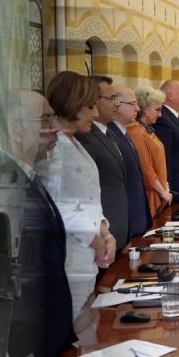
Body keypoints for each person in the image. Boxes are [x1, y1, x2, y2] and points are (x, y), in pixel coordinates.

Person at [5, 90, 75, 357]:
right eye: (45, 120)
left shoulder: (28, 177)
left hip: (49, 345)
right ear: (15, 130)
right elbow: (14, 281)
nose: (55, 128)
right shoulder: (10, 188)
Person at [37, 71, 114, 319]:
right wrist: (98, 242)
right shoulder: (52, 147)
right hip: (69, 259)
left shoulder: (75, 142)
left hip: (87, 258)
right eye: (90, 106)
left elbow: (90, 200)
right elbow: (58, 208)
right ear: (73, 104)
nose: (95, 114)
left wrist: (107, 234)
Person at [76, 76, 130, 252]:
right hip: (99, 234)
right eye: (111, 98)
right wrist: (103, 236)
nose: (117, 104)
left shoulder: (110, 133)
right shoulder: (84, 135)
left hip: (118, 228)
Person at [110, 85, 152, 238]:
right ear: (117, 105)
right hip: (125, 221)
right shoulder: (111, 135)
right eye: (133, 103)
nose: (138, 109)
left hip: (136, 217)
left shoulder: (123, 132)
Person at [128, 86, 173, 218]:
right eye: (157, 110)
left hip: (160, 192)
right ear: (144, 108)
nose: (160, 115)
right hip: (151, 194)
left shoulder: (147, 129)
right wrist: (163, 192)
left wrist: (165, 187)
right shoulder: (136, 132)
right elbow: (146, 169)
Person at [153, 80, 179, 202]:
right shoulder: (163, 119)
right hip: (176, 187)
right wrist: (168, 189)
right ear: (170, 96)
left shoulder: (175, 117)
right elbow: (164, 157)